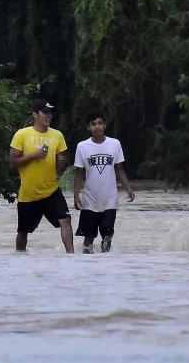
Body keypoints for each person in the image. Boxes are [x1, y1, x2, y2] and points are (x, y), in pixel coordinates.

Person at [9, 99, 74, 253]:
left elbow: (60, 164)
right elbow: (13, 162)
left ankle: (72, 256)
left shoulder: (57, 135)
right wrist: (33, 156)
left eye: (50, 112)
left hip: (51, 190)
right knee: (23, 231)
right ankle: (19, 257)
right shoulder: (22, 134)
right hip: (29, 193)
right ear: (35, 114)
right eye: (45, 112)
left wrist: (61, 161)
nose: (49, 116)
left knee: (65, 220)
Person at [72, 111, 135, 254]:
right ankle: (87, 264)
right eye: (93, 124)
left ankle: (106, 263)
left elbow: (119, 168)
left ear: (105, 125)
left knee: (107, 235)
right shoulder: (82, 146)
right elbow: (79, 173)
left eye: (100, 123)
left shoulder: (114, 144)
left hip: (109, 198)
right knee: (89, 236)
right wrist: (76, 196)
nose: (97, 127)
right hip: (89, 199)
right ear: (88, 127)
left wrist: (128, 188)